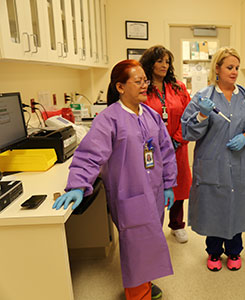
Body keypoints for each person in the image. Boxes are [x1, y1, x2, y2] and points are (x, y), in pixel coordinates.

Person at [53, 59, 177, 300]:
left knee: (150, 240)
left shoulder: (150, 115)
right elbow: (90, 155)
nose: (144, 85)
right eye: (138, 81)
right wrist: (78, 184)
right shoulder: (108, 119)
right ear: (120, 87)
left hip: (153, 191)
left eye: (145, 80)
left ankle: (146, 285)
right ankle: (138, 294)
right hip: (129, 195)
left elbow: (165, 150)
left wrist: (169, 183)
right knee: (136, 246)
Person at [181, 47, 245, 272]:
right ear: (218, 69)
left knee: (237, 207)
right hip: (214, 164)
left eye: (236, 68)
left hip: (242, 165)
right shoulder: (203, 97)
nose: (234, 72)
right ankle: (213, 252)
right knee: (214, 207)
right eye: (229, 67)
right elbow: (187, 132)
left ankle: (234, 251)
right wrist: (202, 115)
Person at [140, 45, 192, 244]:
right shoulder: (143, 88)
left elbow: (188, 116)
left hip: (177, 145)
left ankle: (177, 224)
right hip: (151, 147)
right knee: (152, 184)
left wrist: (177, 139)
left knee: (178, 184)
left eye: (167, 62)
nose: (164, 65)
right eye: (159, 61)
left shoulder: (178, 87)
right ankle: (153, 226)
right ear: (149, 63)